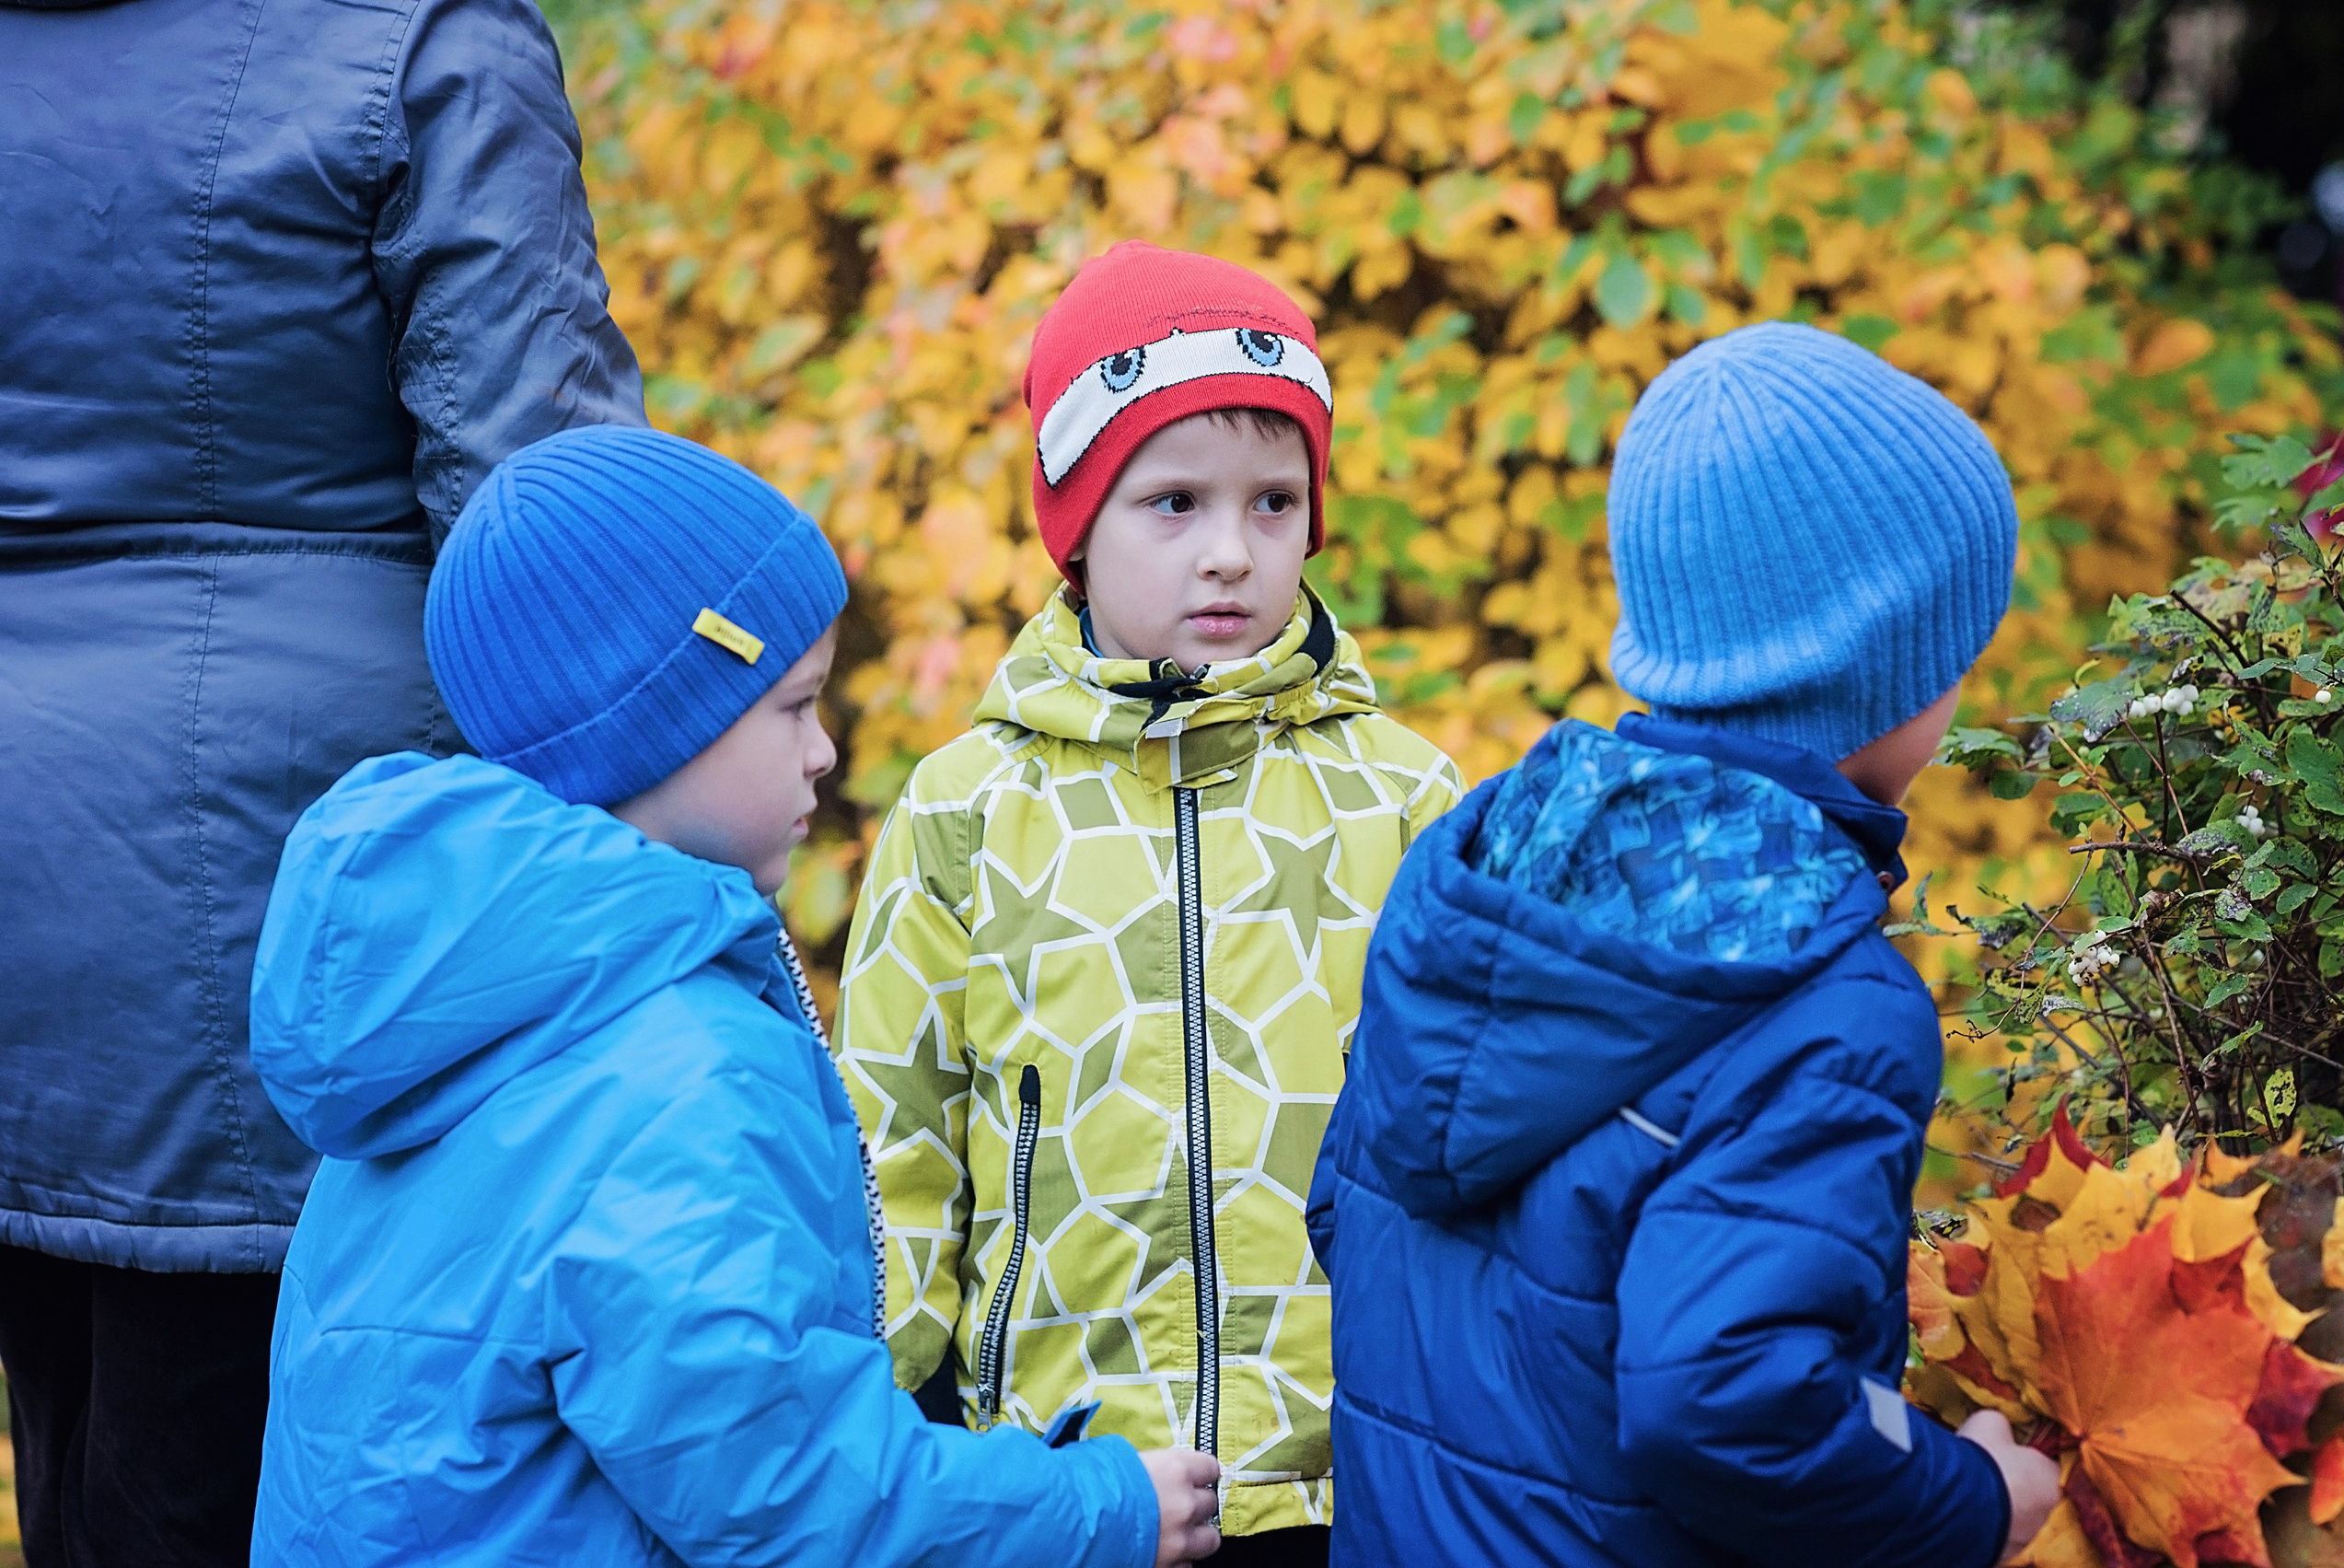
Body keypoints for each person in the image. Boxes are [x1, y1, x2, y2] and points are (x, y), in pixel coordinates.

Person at [242, 426, 1222, 1568]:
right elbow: (791, 1495)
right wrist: (1099, 1508)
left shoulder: (452, 1001)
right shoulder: (675, 1072)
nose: (824, 752)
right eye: (791, 705)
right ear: (652, 730)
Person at [0, 0, 643, 1560]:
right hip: (317, 931)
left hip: (35, 911)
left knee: (79, 1453)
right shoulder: (415, 39)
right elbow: (545, 526)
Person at [1308, 322, 2062, 1568]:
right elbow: (1739, 1398)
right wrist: (1965, 1481)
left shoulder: (1492, 878)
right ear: (1879, 667)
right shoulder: (1831, 1004)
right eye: (1955, 654)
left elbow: (1350, 1206)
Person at [831, 241, 1464, 1563]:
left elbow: (1474, 1140)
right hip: (1063, 1479)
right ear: (1075, 523)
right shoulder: (966, 809)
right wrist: (887, 1453)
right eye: (1174, 502)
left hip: (1352, 1484)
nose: (1232, 552)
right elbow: (895, 1157)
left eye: (1275, 503)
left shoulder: (1405, 798)